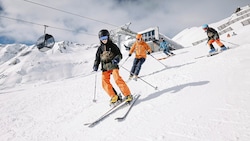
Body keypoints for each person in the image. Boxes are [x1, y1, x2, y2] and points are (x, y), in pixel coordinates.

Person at [93, 29, 133, 105]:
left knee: (117, 79)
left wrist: (117, 59)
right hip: (105, 67)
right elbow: (97, 58)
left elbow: (119, 54)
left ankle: (128, 95)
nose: (104, 40)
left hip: (113, 65)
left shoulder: (112, 45)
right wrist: (95, 65)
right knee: (104, 82)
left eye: (105, 38)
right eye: (102, 39)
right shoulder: (100, 49)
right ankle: (114, 96)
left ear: (108, 37)